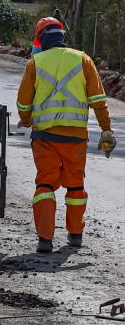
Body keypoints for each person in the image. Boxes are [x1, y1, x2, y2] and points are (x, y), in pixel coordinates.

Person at [16, 17, 116, 253]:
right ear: (62, 37)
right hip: (75, 138)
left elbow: (23, 103)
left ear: (40, 40)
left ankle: (45, 240)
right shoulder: (83, 60)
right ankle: (76, 235)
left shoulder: (35, 63)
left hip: (44, 137)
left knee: (45, 184)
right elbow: (99, 102)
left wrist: (27, 119)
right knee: (75, 185)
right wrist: (106, 129)